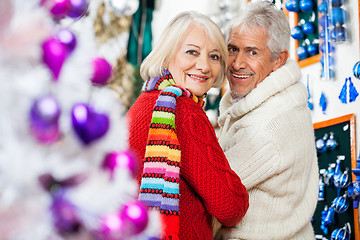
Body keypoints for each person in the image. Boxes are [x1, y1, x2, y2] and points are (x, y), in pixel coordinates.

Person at [126, 11, 249, 240]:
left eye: (214, 56)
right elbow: (230, 206)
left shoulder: (145, 101)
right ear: (168, 54)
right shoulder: (182, 109)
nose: (203, 66)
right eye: (192, 52)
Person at [215, 1, 319, 239]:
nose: (237, 63)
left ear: (278, 60)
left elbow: (211, 193)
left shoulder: (266, 125)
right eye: (232, 49)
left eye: (252, 52)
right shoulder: (282, 98)